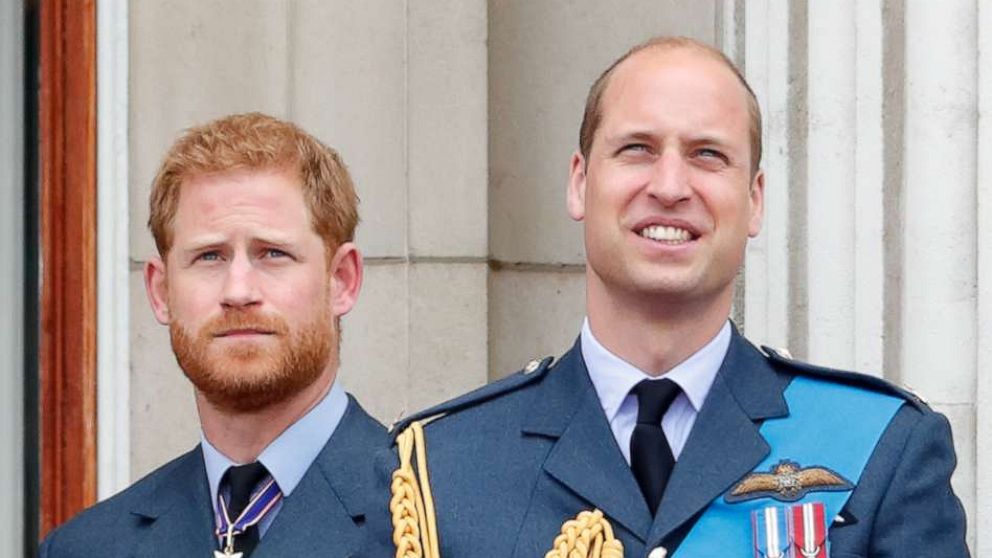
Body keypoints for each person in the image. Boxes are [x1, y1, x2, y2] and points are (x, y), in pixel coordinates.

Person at [388, 37, 970, 558]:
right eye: (637, 148)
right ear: (580, 183)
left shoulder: (880, 448)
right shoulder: (440, 469)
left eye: (707, 154)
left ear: (755, 200)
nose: (669, 186)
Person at [41, 113, 392, 558]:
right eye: (209, 256)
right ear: (161, 290)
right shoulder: (85, 549)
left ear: (342, 279)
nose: (238, 291)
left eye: (273, 253)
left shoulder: (439, 522)